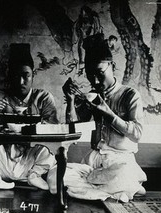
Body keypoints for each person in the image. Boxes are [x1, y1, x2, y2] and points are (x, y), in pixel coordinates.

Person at [62, 34, 147, 202]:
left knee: (123, 174)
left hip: (120, 160)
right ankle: (114, 190)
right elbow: (72, 127)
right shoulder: (92, 96)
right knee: (56, 173)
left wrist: (109, 115)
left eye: (100, 73)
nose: (95, 80)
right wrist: (70, 101)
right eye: (90, 74)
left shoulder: (130, 95)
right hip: (93, 160)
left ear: (112, 66)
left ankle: (95, 189)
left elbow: (137, 134)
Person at [0, 43, 59, 193]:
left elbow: (53, 129)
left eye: (25, 75)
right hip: (3, 157)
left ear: (33, 74)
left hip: (30, 157)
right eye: (16, 76)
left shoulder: (43, 97)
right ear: (10, 76)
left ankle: (34, 175)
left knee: (49, 151)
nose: (21, 82)